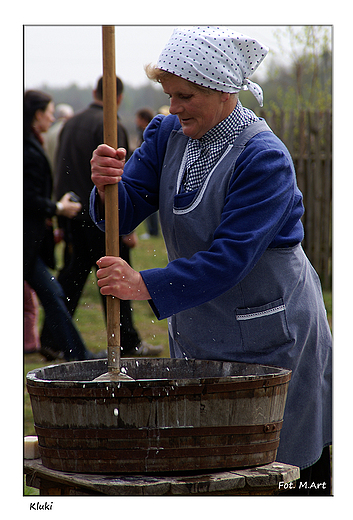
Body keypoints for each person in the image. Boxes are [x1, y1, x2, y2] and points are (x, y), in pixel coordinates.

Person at [89, 26, 332, 494]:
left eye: (186, 95)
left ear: (224, 93)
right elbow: (123, 211)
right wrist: (106, 186)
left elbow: (230, 258)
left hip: (272, 326)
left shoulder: (264, 159)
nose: (173, 106)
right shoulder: (165, 133)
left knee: (284, 461)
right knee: (213, 457)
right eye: (169, 94)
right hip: (203, 319)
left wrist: (142, 284)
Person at [54, 77, 162, 357]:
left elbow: (61, 168)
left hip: (73, 214)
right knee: (116, 279)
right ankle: (126, 341)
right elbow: (120, 181)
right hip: (102, 217)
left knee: (72, 279)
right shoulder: (110, 126)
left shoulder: (70, 123)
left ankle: (53, 337)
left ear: (93, 92)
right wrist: (126, 229)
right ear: (119, 97)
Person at [23, 89, 102, 361]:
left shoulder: (31, 142)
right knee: (54, 295)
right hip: (25, 239)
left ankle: (72, 351)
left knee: (54, 294)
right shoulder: (27, 148)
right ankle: (77, 354)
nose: (51, 116)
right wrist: (58, 207)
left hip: (31, 241)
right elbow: (26, 197)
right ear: (37, 115)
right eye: (48, 111)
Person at [135, 107, 160, 238]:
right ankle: (152, 230)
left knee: (149, 202)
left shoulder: (150, 133)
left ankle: (153, 231)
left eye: (138, 118)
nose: (136, 121)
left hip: (150, 174)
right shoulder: (142, 132)